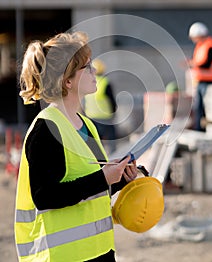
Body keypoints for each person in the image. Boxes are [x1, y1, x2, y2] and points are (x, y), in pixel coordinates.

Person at [14, 31, 137, 262]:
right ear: (67, 80)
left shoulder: (86, 125)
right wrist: (103, 178)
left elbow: (87, 185)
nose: (94, 71)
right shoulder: (46, 130)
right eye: (86, 67)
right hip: (64, 257)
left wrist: (121, 178)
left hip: (99, 251)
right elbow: (45, 196)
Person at [188, 22, 212, 131]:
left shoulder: (210, 45)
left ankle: (205, 130)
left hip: (211, 82)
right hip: (201, 82)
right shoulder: (200, 46)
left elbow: (207, 64)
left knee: (209, 108)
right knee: (198, 108)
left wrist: (193, 64)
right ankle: (199, 129)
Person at [84, 59, 117, 154]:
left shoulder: (87, 83)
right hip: (105, 117)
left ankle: (100, 157)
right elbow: (111, 100)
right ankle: (112, 158)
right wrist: (114, 111)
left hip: (91, 117)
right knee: (111, 141)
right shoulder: (105, 82)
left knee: (97, 141)